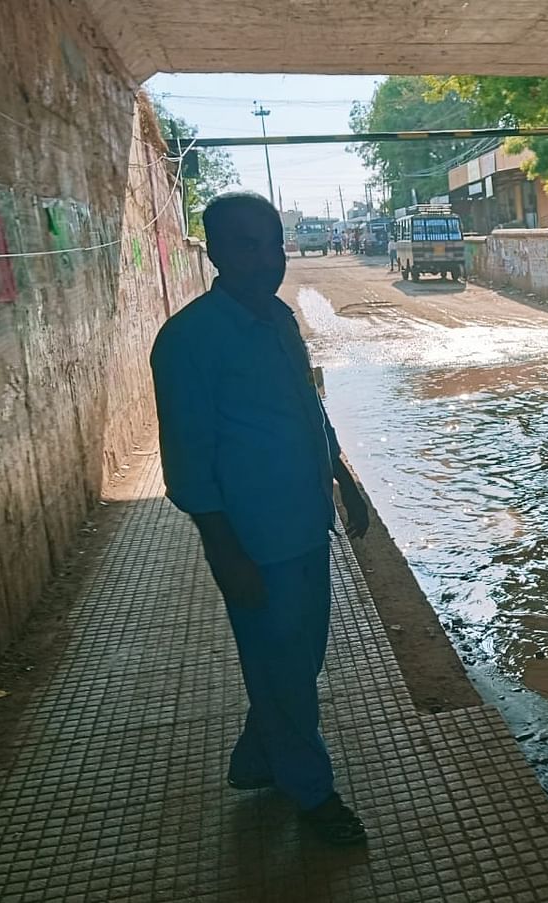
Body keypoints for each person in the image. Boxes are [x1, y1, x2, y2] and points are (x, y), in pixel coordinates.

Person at [150, 192, 371, 848]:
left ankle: (257, 757)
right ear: (214, 250)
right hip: (255, 542)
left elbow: (310, 409)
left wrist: (344, 479)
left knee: (298, 663)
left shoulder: (278, 318)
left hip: (307, 526)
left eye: (271, 243)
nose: (263, 258)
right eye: (245, 244)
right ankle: (312, 792)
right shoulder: (187, 341)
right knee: (282, 672)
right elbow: (187, 462)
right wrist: (226, 553)